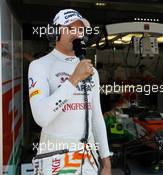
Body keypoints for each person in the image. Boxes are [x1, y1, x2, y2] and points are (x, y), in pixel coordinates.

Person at [28, 9, 111, 175]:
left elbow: (96, 117)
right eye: (70, 28)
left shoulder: (90, 71)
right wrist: (73, 79)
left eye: (80, 29)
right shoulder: (39, 66)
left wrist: (106, 161)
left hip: (88, 157)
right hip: (55, 155)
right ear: (55, 31)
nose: (76, 33)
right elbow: (41, 117)